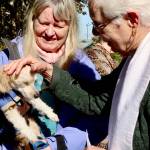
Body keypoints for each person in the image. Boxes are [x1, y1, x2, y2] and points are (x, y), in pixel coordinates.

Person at [5, 0, 150, 150]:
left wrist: (59, 144)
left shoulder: (82, 63)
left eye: (99, 25)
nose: (95, 34)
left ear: (132, 20)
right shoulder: (133, 59)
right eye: (43, 23)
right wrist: (50, 71)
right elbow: (97, 99)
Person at [0, 0, 100, 149]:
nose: (49, 33)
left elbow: (97, 116)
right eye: (44, 23)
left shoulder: (82, 65)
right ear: (32, 21)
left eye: (59, 25)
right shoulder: (8, 58)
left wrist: (56, 145)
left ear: (70, 27)